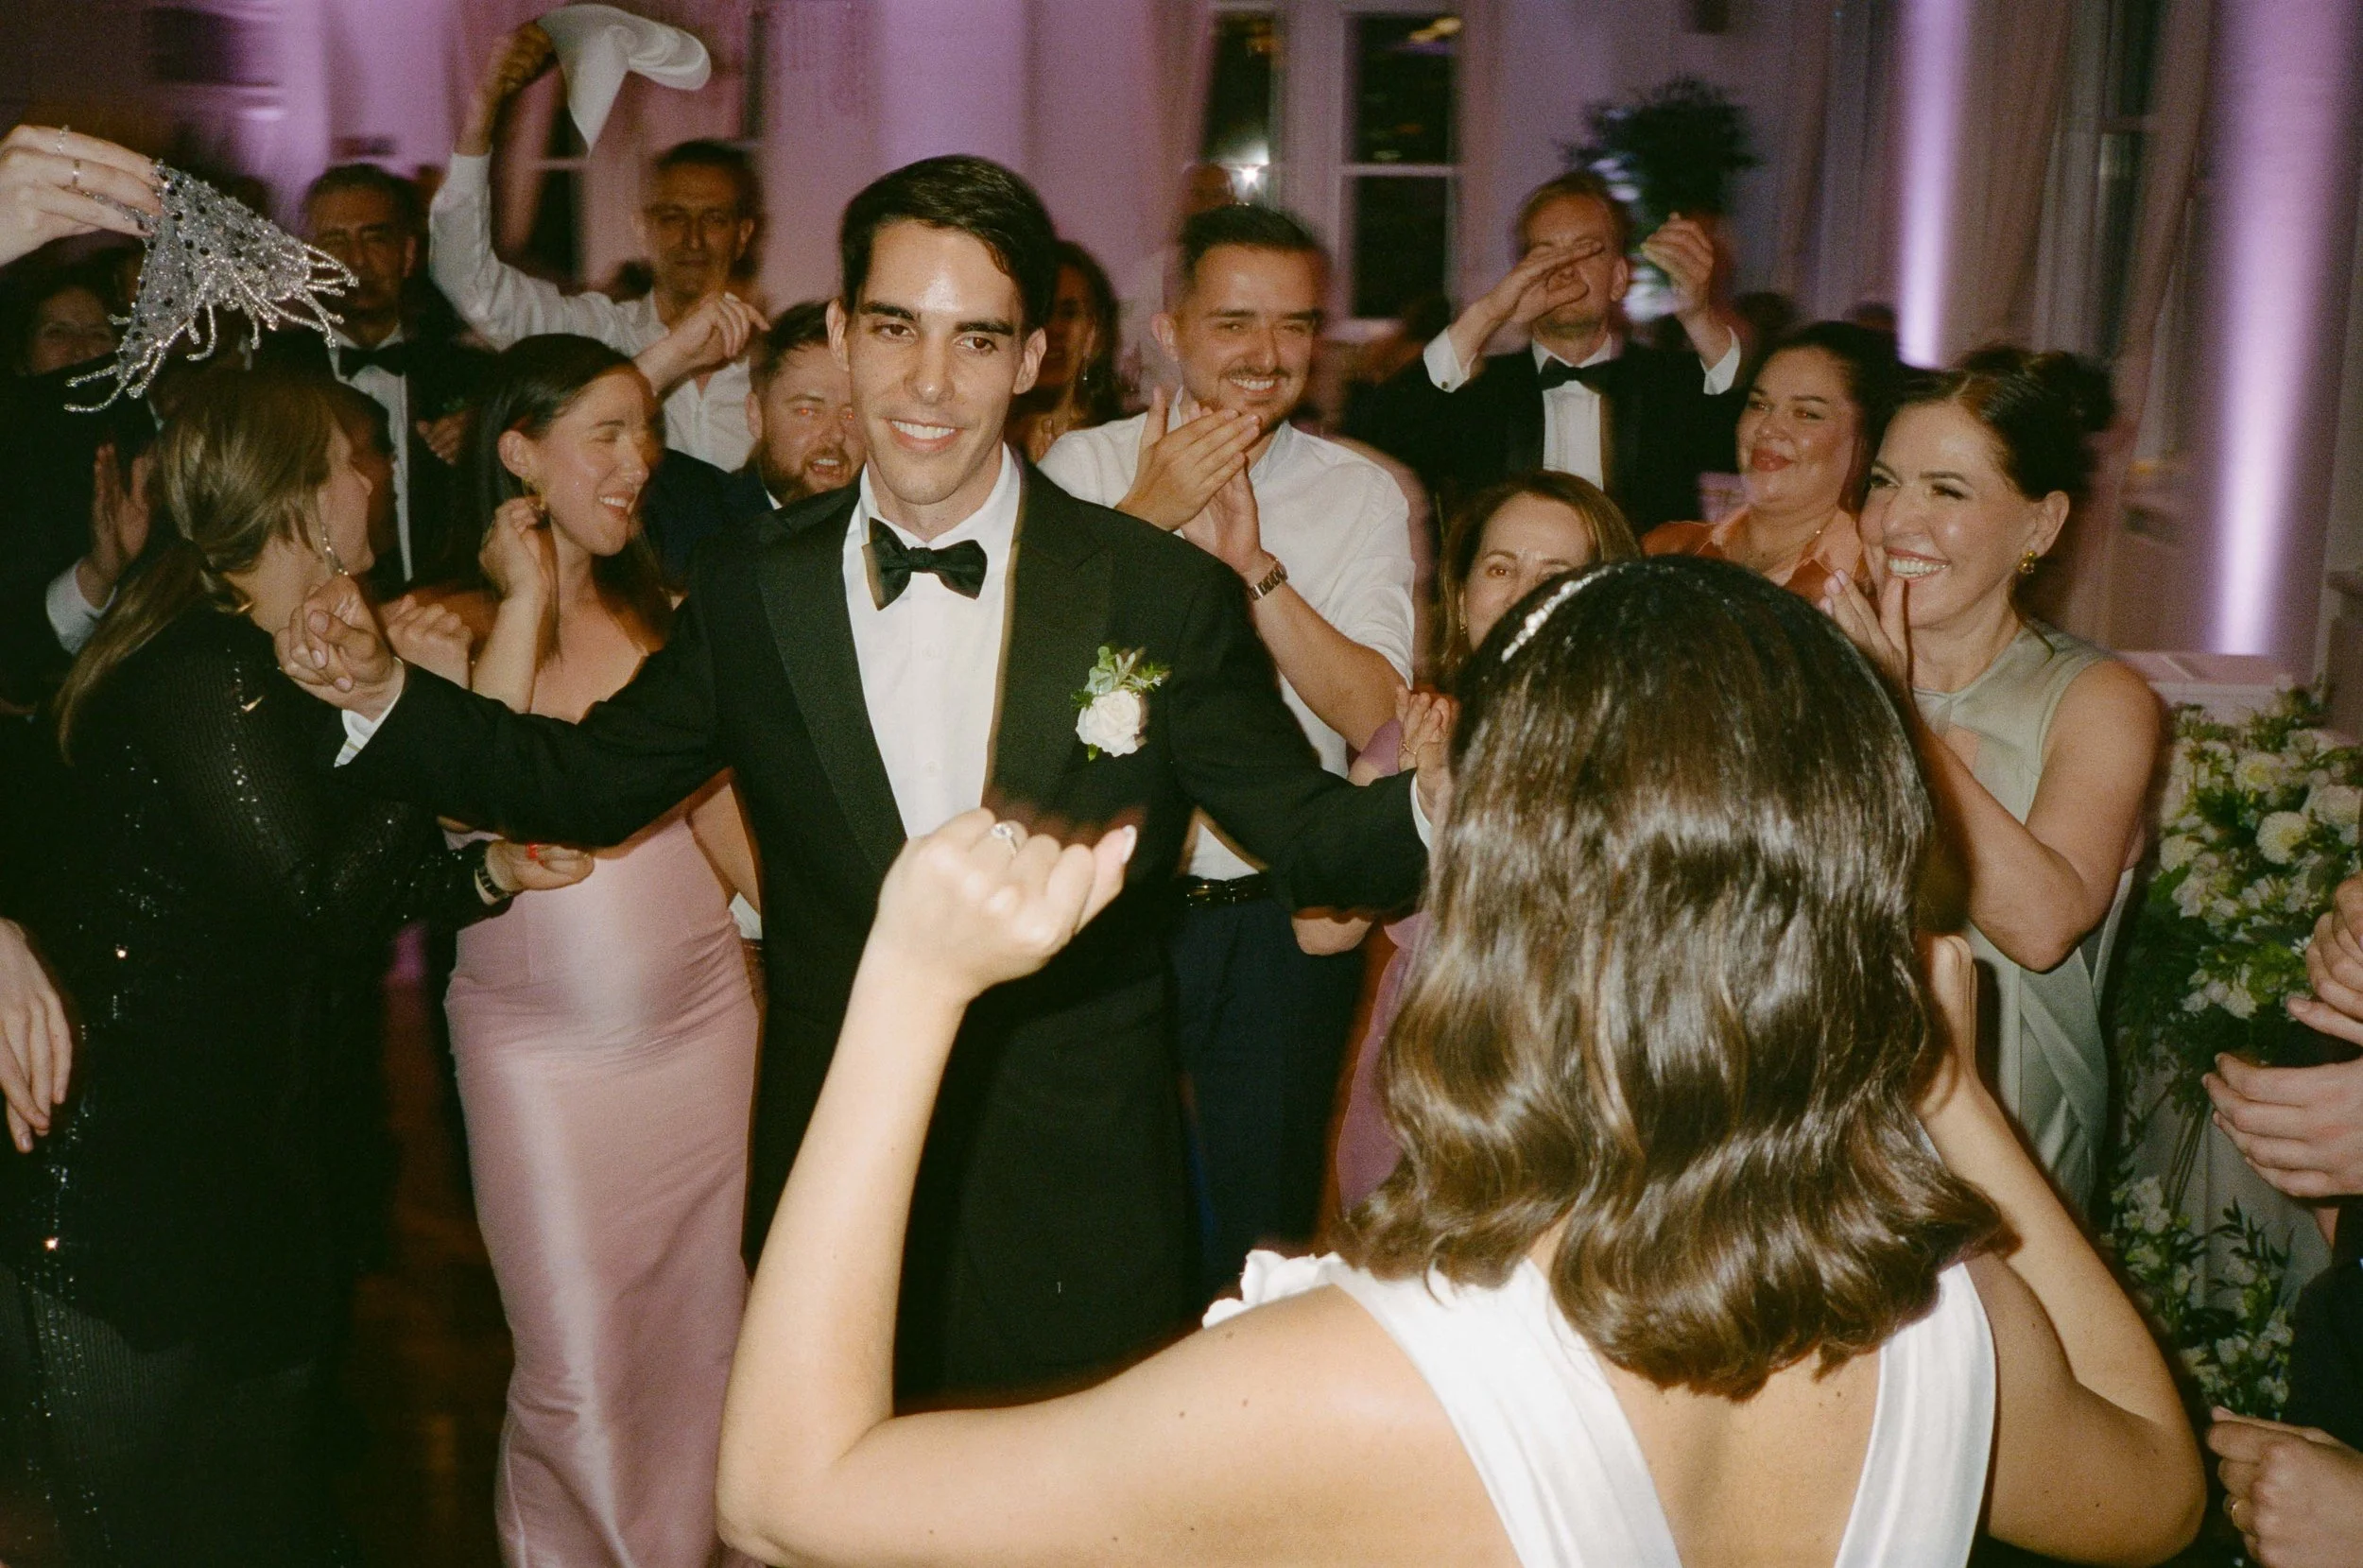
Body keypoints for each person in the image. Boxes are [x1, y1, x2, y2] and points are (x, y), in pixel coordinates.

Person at [713, 557, 2203, 1568]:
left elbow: (790, 1494)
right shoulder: (1942, 1300)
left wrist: (905, 989)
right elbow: (2155, 1484)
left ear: (1498, 873)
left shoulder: (1376, 1384)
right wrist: (1946, 1087)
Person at [278, 153, 1435, 1403]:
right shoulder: (753, 586)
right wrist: (381, 697)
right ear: (840, 330)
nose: (930, 385)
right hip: (838, 1172)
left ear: (1034, 356)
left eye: (977, 340)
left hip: (1080, 1188)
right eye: (895, 329)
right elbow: (587, 779)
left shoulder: (1154, 589)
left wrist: (1465, 802)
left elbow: (1314, 832)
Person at [0, 369, 586, 1562]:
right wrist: (407, 707)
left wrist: (487, 879)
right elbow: (320, 902)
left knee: (263, 1525)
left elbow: (338, 888)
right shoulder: (206, 670)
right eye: (353, 460)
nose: (374, 478)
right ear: (303, 501)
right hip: (124, 1186)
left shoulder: (268, 657)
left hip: (241, 1168)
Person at [404, 335, 762, 1563]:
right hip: (541, 1050)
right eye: (606, 433)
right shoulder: (437, 622)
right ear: (521, 453)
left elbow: (716, 820)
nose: (642, 460)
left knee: (706, 1332)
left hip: (706, 1019)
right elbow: (474, 807)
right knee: (575, 1365)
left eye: (645, 431)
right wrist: (523, 601)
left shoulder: (662, 609)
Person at [1039, 200, 1414, 1294]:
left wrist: (1254, 572)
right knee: (1103, 1215)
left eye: (1294, 327)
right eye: (1235, 323)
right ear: (1169, 331)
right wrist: (1149, 520)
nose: (1266, 356)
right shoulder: (1078, 468)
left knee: (1260, 1237)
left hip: (1273, 915)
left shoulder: (1358, 494)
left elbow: (1371, 713)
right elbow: (1040, 687)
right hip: (1111, 903)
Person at [1821, 347, 2158, 1212]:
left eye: (1948, 491)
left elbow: (2042, 926)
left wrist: (1896, 712)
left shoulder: (2096, 698)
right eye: (1886, 481)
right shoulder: (1813, 669)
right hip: (1821, 1131)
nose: (1897, 520)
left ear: (2041, 527)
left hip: (2010, 1165)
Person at [1332, 472, 1639, 1206]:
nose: (1522, 592)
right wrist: (1400, 807)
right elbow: (1321, 931)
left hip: (1578, 1110)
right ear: (1465, 597)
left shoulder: (1648, 750)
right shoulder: (1414, 732)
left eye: (1555, 574)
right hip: (1417, 1111)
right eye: (1501, 568)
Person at [432, 26, 768, 470]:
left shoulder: (776, 360)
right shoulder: (598, 337)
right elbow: (467, 281)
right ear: (642, 229)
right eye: (671, 218)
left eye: (714, 219)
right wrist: (483, 111)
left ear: (743, 234)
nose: (692, 239)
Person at [1348, 169, 1744, 530]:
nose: (1565, 269)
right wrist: (1489, 314)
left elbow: (1744, 434)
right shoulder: (1482, 392)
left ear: (1620, 278)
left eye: (1588, 250)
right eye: (1546, 254)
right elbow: (1375, 435)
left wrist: (1697, 313)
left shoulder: (1669, 385)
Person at [255, 164, 489, 597]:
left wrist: (486, 437)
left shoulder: (471, 376)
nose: (356, 261)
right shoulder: (271, 380)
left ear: (408, 255)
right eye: (335, 242)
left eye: (375, 238)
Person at [1645, 320, 1900, 602]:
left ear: (1865, 441)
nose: (1767, 427)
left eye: (1805, 414)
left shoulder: (1877, 583)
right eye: (1759, 405)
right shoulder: (1669, 550)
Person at [641, 301, 863, 579]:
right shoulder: (689, 514)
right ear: (755, 416)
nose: (835, 434)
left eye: (853, 414)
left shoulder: (892, 540)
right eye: (807, 411)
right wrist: (670, 356)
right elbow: (579, 433)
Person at [1009, 240, 1123, 461]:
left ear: (1095, 333)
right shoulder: (981, 444)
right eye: (1039, 313)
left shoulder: (1125, 444)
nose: (1052, 330)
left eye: (1068, 314)